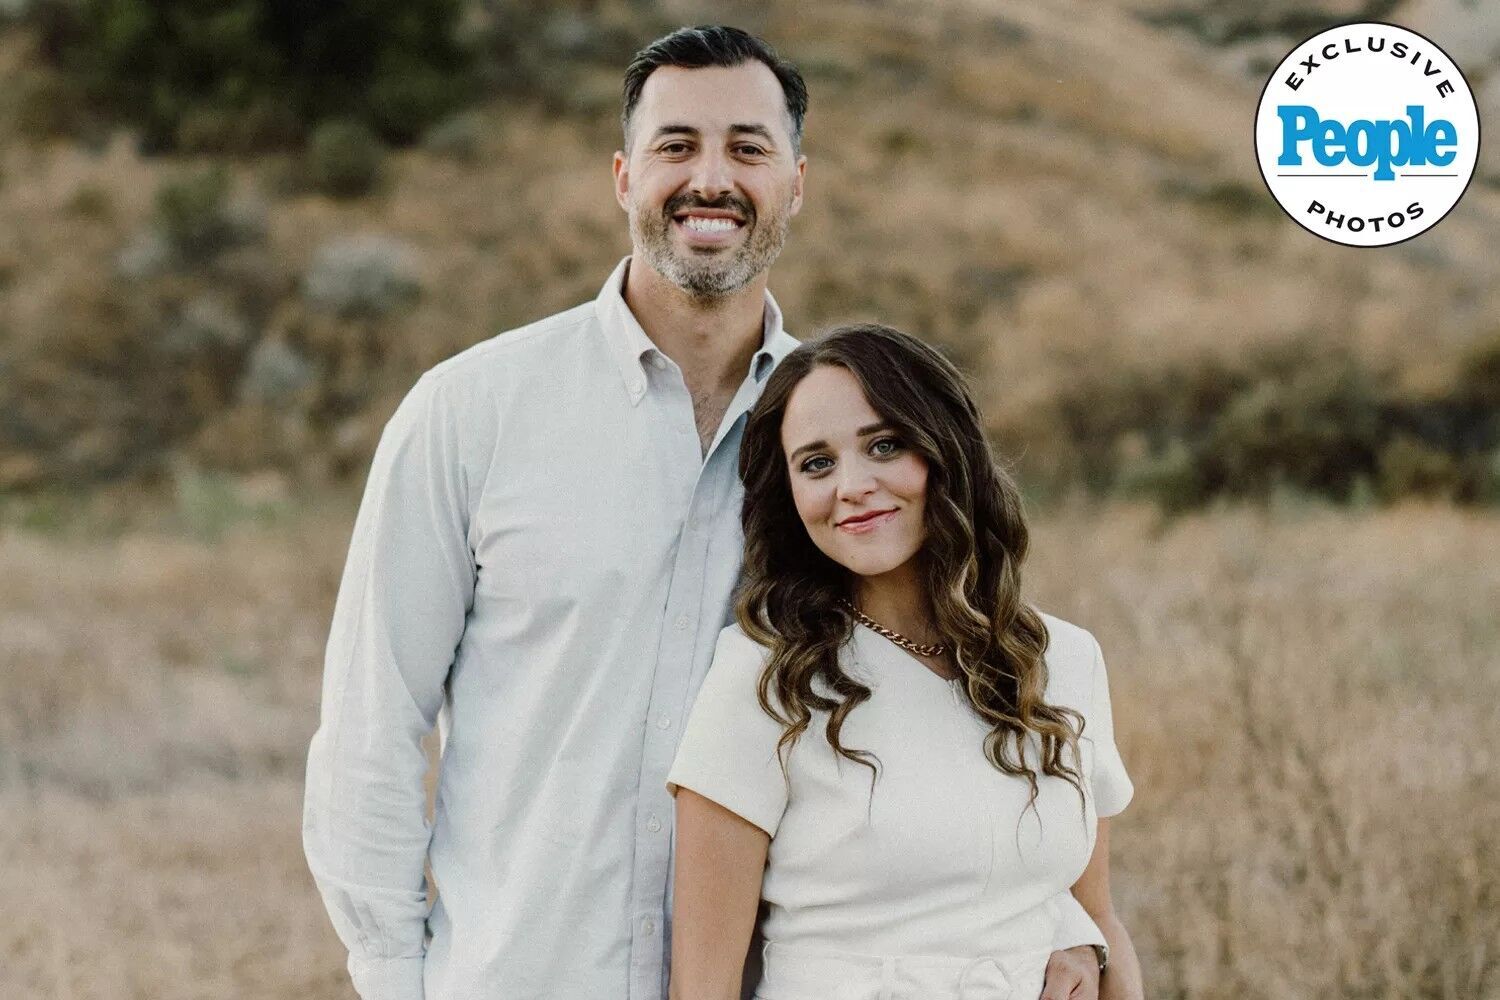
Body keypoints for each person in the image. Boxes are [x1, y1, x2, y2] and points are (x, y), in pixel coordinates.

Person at [302, 24, 1099, 1000]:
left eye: (747, 148)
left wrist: (1056, 922)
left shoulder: (850, 446)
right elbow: (373, 726)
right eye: (676, 145)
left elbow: (951, 703)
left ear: (796, 182)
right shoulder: (471, 413)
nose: (710, 178)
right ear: (624, 176)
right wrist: (395, 978)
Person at [665, 324, 1144, 1000]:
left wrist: (1084, 949)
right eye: (816, 463)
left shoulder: (1061, 660)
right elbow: (704, 985)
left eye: (884, 446)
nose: (853, 486)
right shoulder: (765, 676)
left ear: (945, 452)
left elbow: (1098, 920)